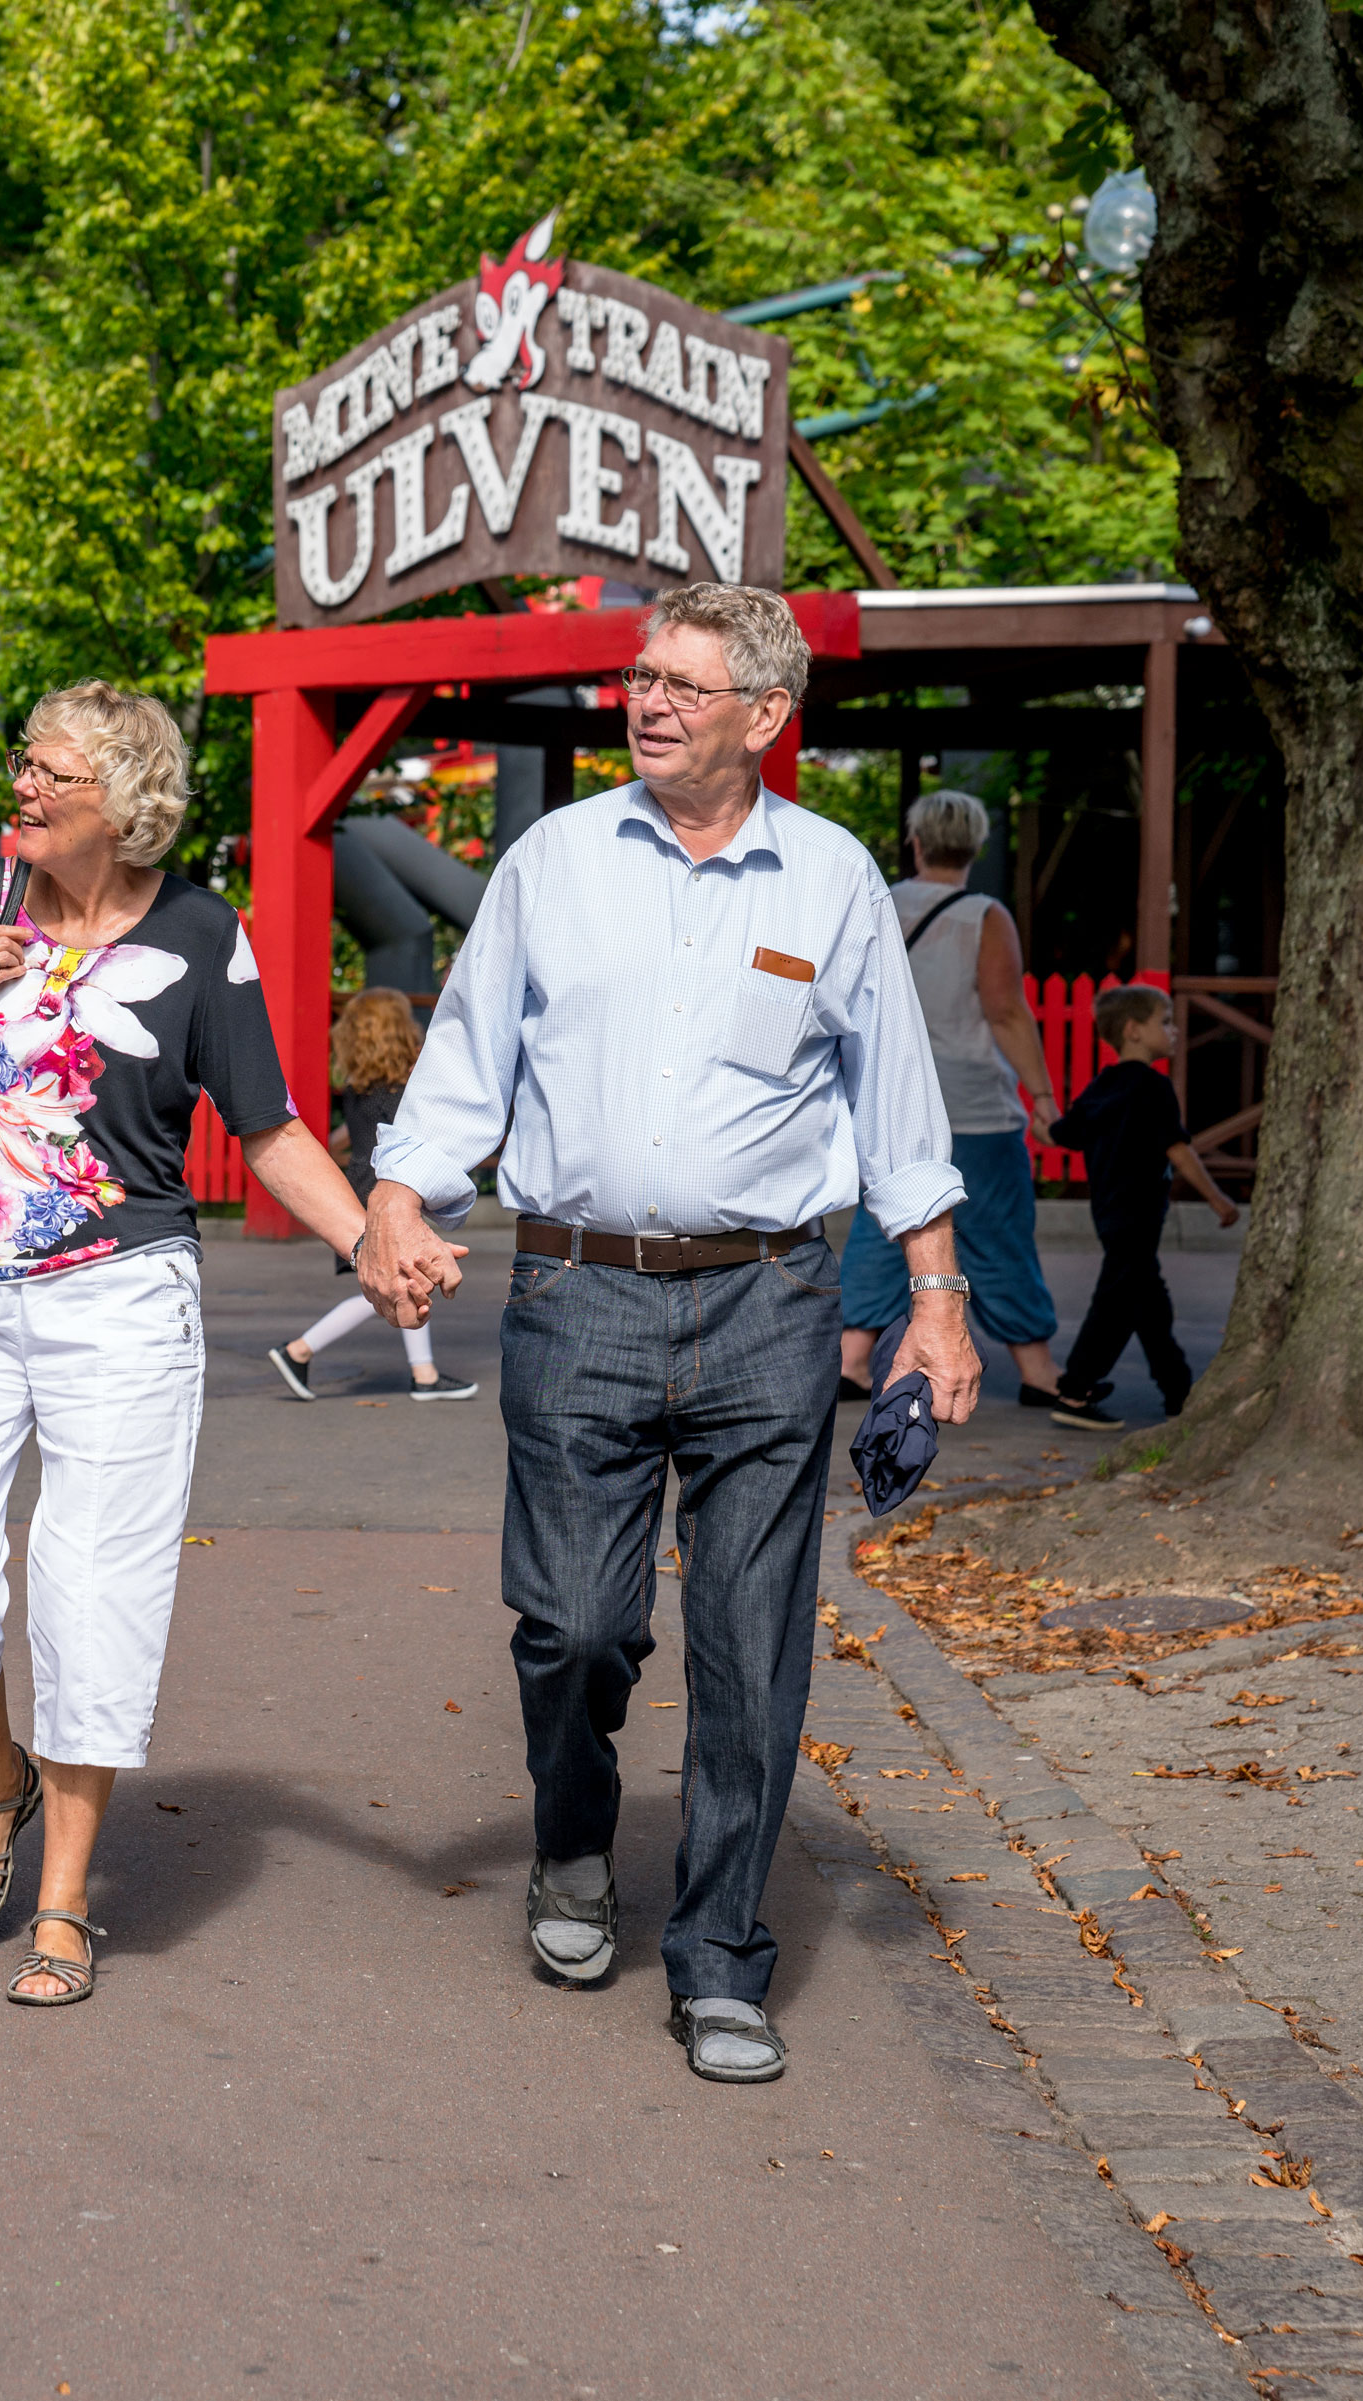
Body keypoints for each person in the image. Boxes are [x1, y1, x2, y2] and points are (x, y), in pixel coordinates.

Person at [356, 583, 981, 2086]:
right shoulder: (554, 862)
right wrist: (393, 1194)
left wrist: (938, 1299)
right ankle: (574, 1844)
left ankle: (719, 1961)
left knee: (754, 1651)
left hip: (772, 1303)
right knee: (574, 1624)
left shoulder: (831, 881)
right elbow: (465, 1055)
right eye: (638, 679)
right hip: (578, 1295)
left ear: (766, 715)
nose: (646, 704)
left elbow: (897, 1099)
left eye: (684, 687)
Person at [0, 681, 373, 2008]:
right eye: (22, 766)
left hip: (118, 1294)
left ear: (127, 803)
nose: (21, 789)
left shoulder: (204, 935)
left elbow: (266, 1126)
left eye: (50, 774)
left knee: (92, 1584)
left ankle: (65, 1892)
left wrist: (366, 1241)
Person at [837, 790, 1067, 1408]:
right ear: (976, 845)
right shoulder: (983, 916)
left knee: (881, 1226)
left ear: (915, 842)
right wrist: (1042, 1095)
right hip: (971, 1101)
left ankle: (851, 1360)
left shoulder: (877, 901)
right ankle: (1039, 1370)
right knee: (998, 1229)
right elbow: (1005, 1012)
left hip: (890, 1098)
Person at [264, 986, 477, 1403]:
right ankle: (298, 1351)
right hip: (386, 1189)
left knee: (405, 1278)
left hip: (358, 1182)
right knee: (386, 1282)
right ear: (400, 1031)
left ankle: (425, 1374)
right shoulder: (402, 1090)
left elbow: (351, 1135)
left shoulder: (359, 1084)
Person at [1044, 984, 1236, 1428]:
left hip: (1110, 1213)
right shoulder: (1153, 1087)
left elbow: (1062, 1134)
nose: (1174, 1030)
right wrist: (1218, 1199)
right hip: (1140, 1214)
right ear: (1133, 1030)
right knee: (1117, 1302)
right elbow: (1177, 1148)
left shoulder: (1102, 1086)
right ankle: (1075, 1391)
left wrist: (1040, 1120)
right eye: (1164, 1021)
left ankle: (1179, 1393)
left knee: (1149, 1303)